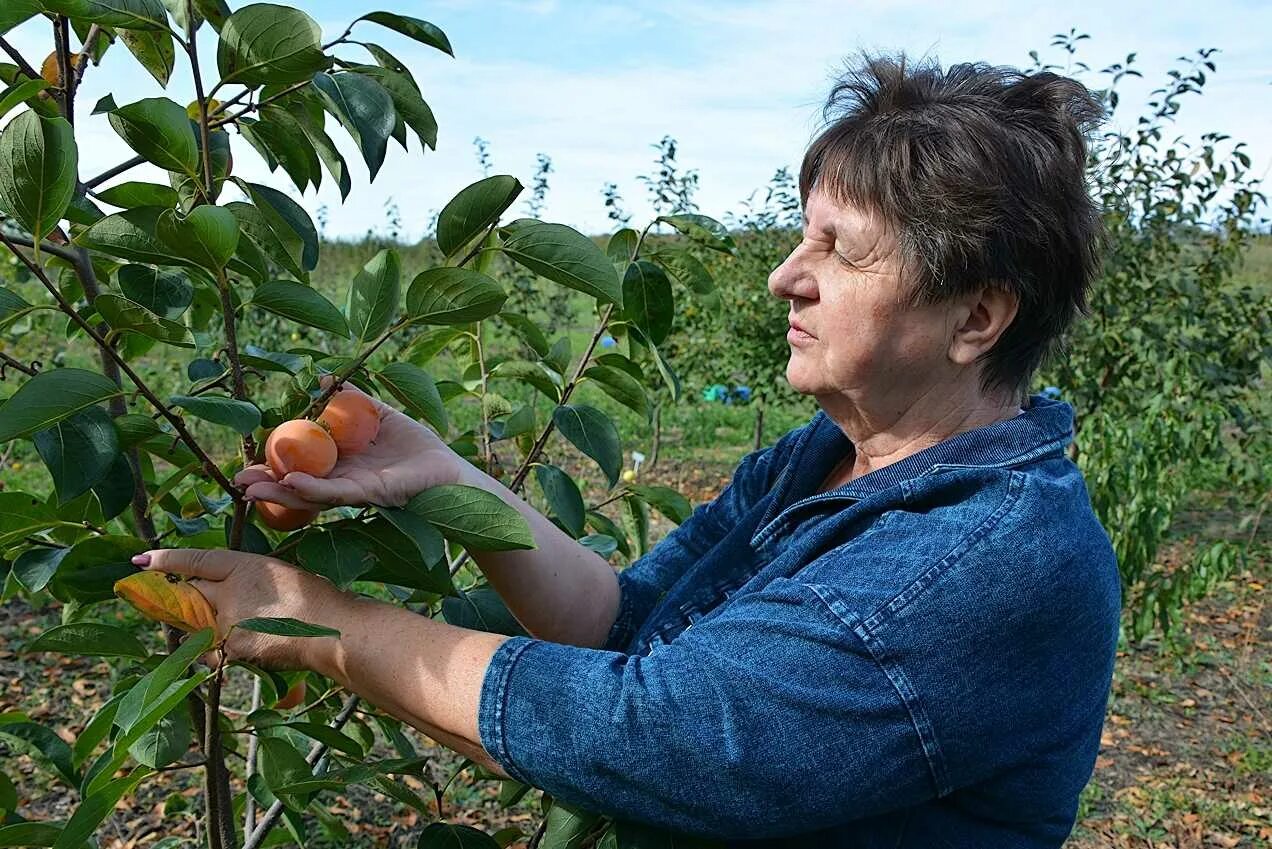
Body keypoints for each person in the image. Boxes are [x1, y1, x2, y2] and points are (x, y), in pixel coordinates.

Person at [134, 54, 1121, 847]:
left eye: (840, 249)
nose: (785, 277)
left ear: (976, 317)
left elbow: (656, 734)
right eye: (799, 237)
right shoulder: (818, 457)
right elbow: (628, 623)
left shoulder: (991, 563)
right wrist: (447, 477)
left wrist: (319, 621)